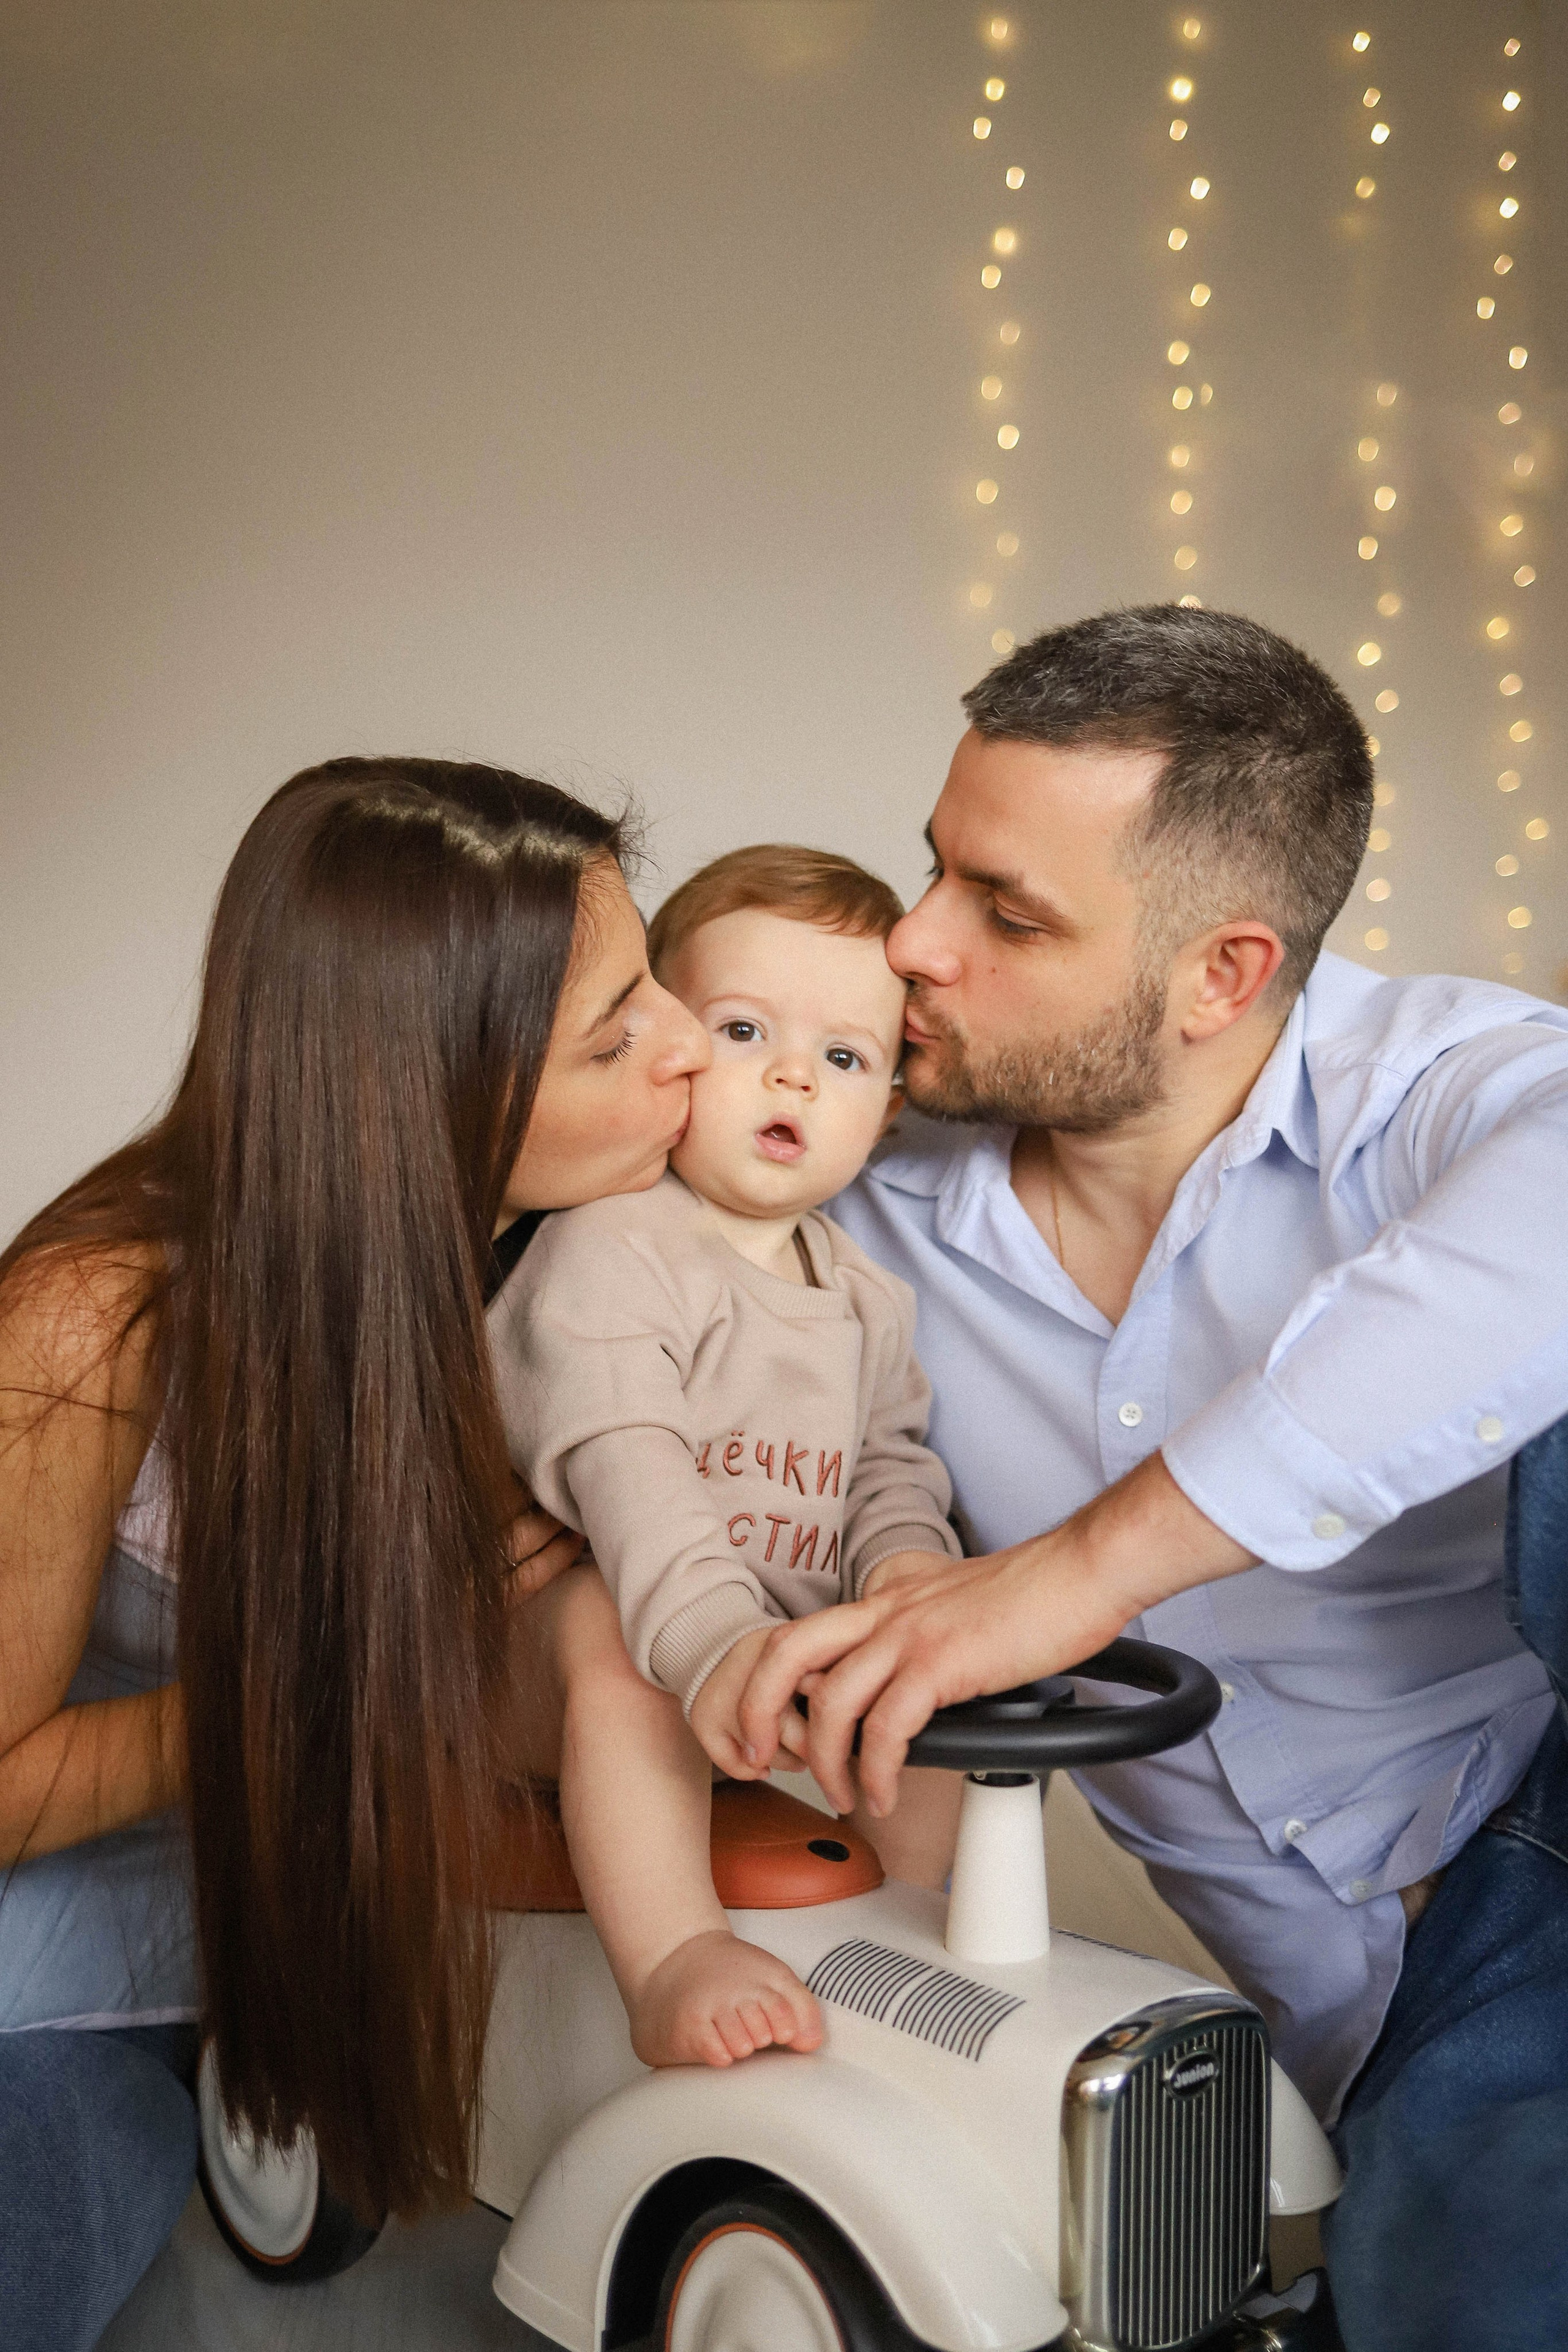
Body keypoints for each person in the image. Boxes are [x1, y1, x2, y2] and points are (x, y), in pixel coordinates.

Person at [732, 606, 1568, 2348]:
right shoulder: (848, 1191)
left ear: (1226, 974)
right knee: (1476, 2273)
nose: (912, 942)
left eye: (1006, 912)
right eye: (934, 869)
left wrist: (1076, 1572)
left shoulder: (1426, 1090)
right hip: (1355, 2040)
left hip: (1532, 1822)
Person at [0, 757, 707, 2351]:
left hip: (284, 1960)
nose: (689, 1044)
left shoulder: (547, 1269)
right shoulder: (92, 1318)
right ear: (429, 1095)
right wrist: (336, 1682)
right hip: (56, 1991)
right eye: (616, 1032)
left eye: (656, 974)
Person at [488, 846, 963, 2071]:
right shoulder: (610, 1245)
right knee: (609, 1623)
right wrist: (707, 1647)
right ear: (672, 1050)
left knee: (939, 1659)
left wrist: (909, 1570)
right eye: (744, 1028)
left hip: (756, 1653)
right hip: (538, 1670)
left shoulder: (866, 1296)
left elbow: (886, 1468)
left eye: (844, 1058)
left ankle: (901, 1939)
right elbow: (623, 1456)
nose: (793, 1073)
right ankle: (669, 1960)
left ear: (887, 1108)